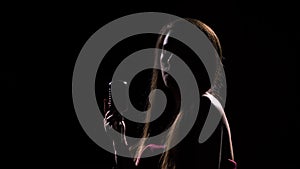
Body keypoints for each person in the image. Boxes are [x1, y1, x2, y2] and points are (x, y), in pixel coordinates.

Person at [103, 18, 237, 169]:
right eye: (166, 49)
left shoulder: (206, 108)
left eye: (180, 50)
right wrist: (119, 145)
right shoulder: (180, 117)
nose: (169, 58)